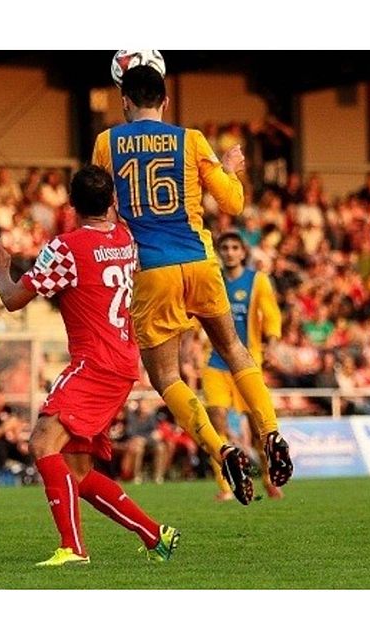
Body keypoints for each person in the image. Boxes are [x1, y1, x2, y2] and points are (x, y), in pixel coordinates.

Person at [91, 64, 292, 506]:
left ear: (125, 102)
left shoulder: (106, 143)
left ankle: (222, 452)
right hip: (200, 261)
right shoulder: (191, 139)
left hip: (151, 270)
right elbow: (234, 204)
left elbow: (99, 207)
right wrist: (230, 167)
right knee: (236, 350)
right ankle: (271, 431)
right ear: (165, 101)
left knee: (167, 377)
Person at [0, 164, 179, 566]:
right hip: (123, 360)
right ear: (112, 202)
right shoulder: (125, 237)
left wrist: (2, 269)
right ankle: (155, 534)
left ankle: (72, 549)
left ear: (70, 205)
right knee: (77, 469)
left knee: (40, 443)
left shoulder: (67, 248)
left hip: (95, 363)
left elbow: (14, 299)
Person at [201, 231, 283, 501]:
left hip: (247, 363)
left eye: (235, 247)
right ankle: (225, 486)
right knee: (216, 420)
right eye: (224, 247)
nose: (229, 252)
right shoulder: (213, 280)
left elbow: (270, 314)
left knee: (258, 428)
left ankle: (269, 479)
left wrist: (271, 344)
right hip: (215, 362)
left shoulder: (257, 280)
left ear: (243, 252)